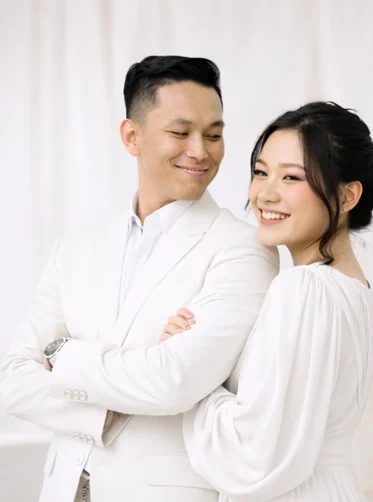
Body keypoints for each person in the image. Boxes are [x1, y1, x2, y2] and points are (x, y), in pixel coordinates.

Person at [0, 56, 279, 502]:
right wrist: (106, 413)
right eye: (180, 133)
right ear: (132, 136)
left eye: (213, 135)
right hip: (60, 488)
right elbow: (13, 380)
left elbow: (175, 381)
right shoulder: (76, 249)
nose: (200, 151)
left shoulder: (244, 248)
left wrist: (62, 354)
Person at [162, 101, 373, 501]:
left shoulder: (304, 288)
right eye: (260, 172)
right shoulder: (355, 288)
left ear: (347, 195)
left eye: (291, 177)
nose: (265, 194)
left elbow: (255, 456)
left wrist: (193, 371)